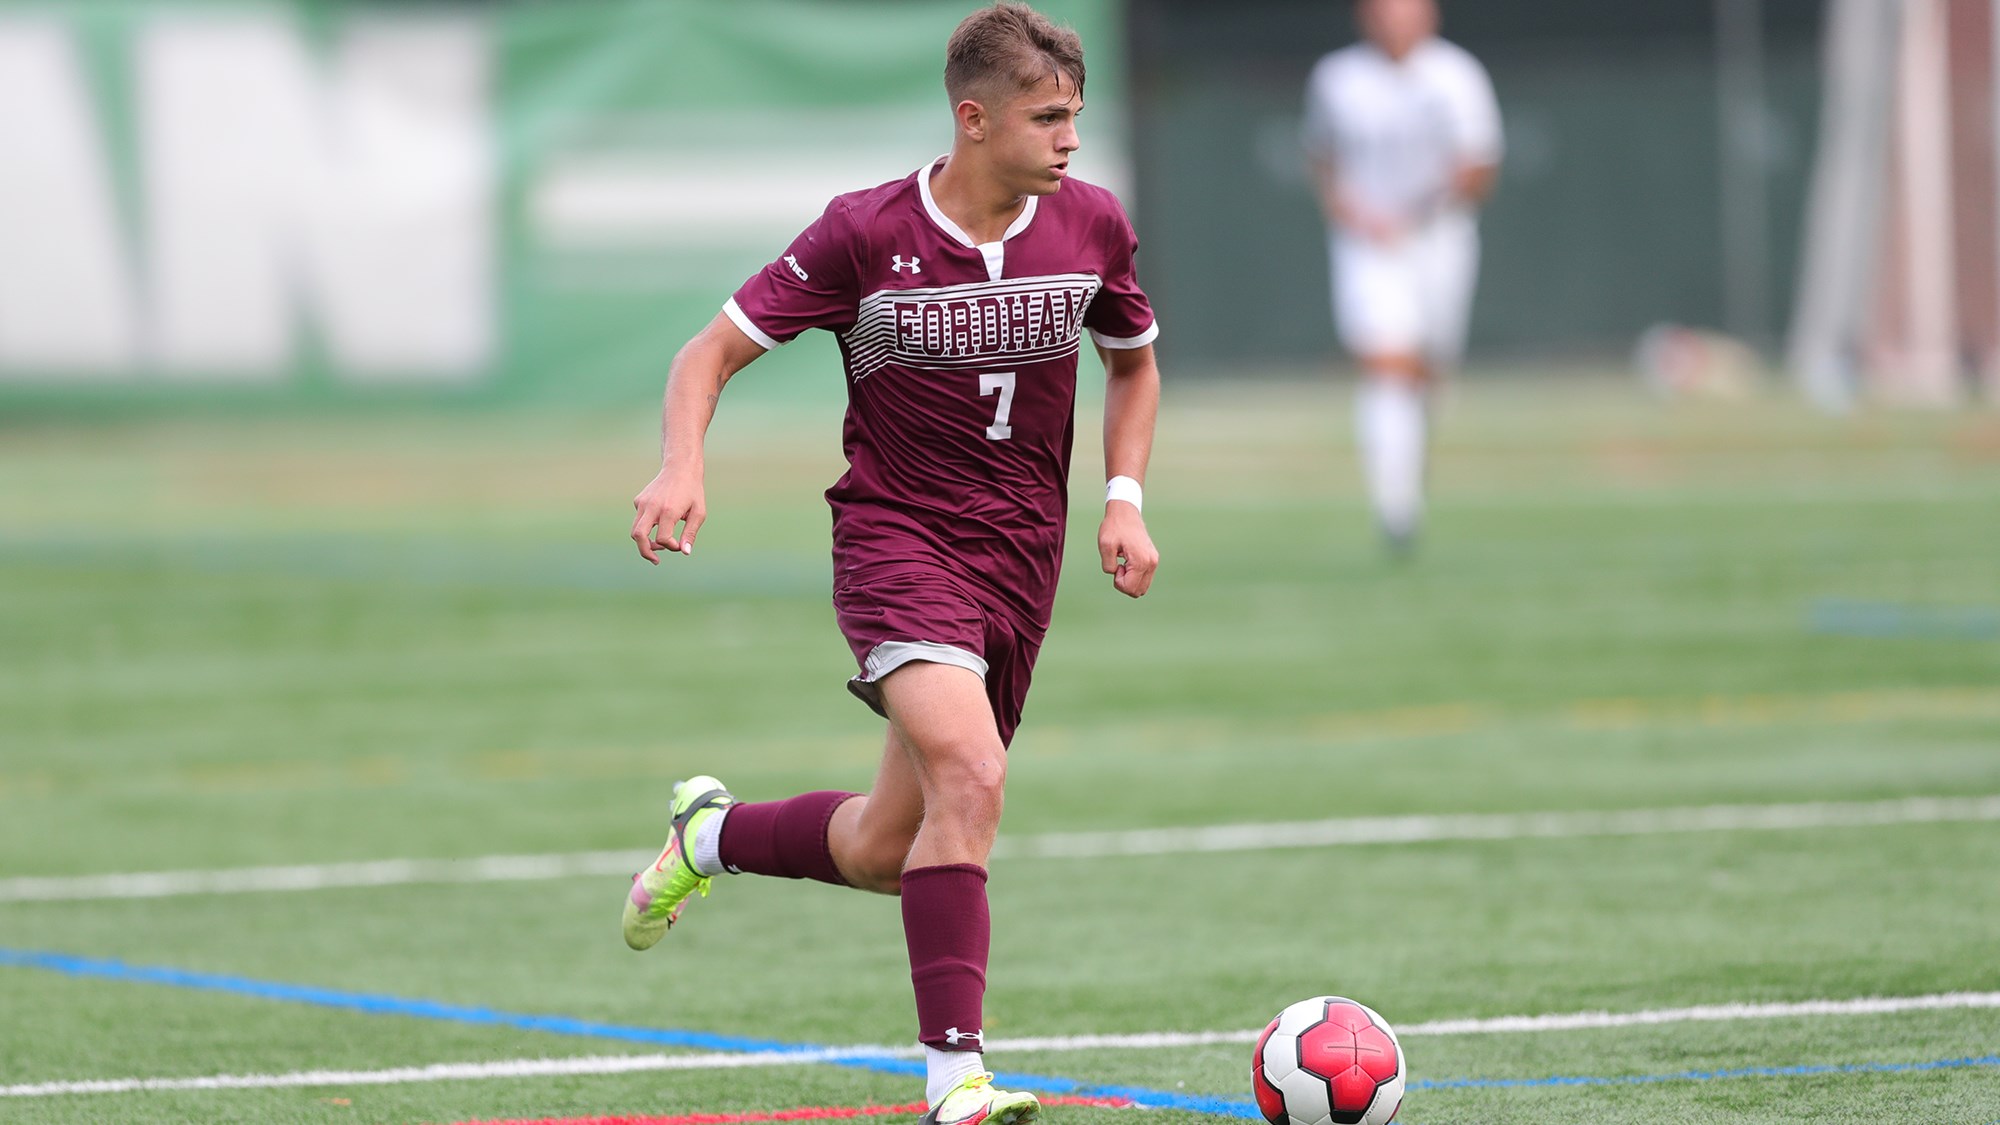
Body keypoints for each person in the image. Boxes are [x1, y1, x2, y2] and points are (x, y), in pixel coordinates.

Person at [620, 5, 1162, 1123]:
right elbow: (705, 353)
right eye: (1045, 118)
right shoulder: (863, 235)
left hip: (1021, 564)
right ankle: (954, 1075)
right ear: (973, 120)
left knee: (883, 848)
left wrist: (1121, 499)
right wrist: (681, 468)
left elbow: (1134, 364)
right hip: (895, 544)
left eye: (1075, 117)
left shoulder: (1093, 226)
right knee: (971, 774)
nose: (1069, 139)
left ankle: (706, 836)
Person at [1303, 0, 1501, 553]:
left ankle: (1409, 461)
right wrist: (1357, 215)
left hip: (1440, 242)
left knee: (1428, 371)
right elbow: (1323, 159)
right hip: (1367, 247)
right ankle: (1396, 509)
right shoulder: (1337, 78)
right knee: (1388, 362)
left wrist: (1414, 213)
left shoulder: (1456, 75)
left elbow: (1479, 165)